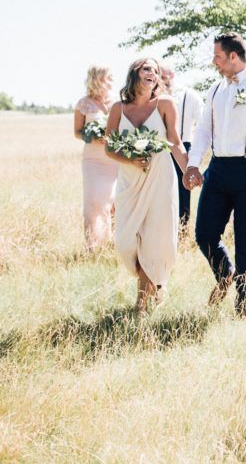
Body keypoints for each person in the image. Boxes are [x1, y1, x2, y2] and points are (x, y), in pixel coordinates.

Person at [182, 33, 246, 317]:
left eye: (217, 56)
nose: (214, 62)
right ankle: (225, 272)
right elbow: (203, 130)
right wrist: (193, 164)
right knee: (204, 233)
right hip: (217, 169)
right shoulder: (216, 89)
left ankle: (243, 307)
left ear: (233, 57)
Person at [104, 58, 189, 313]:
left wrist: (190, 172)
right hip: (130, 180)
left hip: (160, 179)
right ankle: (156, 288)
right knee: (125, 240)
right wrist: (129, 157)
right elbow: (109, 147)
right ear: (135, 74)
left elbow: (174, 141)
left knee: (155, 239)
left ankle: (141, 304)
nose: (153, 73)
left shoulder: (165, 104)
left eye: (155, 70)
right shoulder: (118, 108)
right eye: (146, 69)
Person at [73, 65, 118, 250]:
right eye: (109, 77)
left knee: (116, 202)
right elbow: (77, 132)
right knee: (94, 201)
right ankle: (93, 245)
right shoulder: (84, 104)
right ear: (98, 79)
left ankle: (115, 243)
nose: (112, 81)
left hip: (115, 159)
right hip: (93, 161)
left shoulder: (118, 102)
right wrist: (92, 136)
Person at [160, 62, 203, 228]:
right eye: (160, 77)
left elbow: (202, 121)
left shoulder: (188, 95)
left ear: (172, 75)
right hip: (160, 148)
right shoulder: (153, 96)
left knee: (184, 188)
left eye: (165, 77)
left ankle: (183, 227)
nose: (163, 81)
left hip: (182, 145)